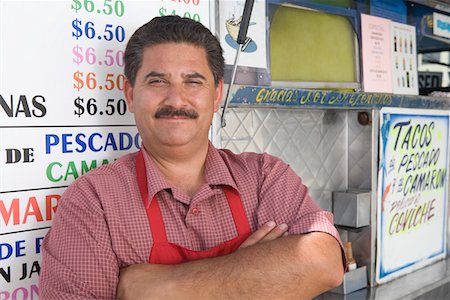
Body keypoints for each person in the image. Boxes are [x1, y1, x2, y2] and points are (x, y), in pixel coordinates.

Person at [39, 16, 345, 299]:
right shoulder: (94, 201)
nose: (176, 99)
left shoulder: (265, 175)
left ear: (215, 95)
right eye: (157, 81)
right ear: (130, 95)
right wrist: (253, 272)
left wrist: (158, 286)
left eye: (193, 81)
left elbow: (325, 262)